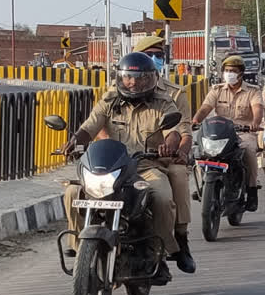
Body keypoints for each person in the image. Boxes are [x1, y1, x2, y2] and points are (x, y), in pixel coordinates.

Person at [60, 52, 192, 282]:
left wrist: (168, 146)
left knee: (162, 197)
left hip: (146, 168)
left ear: (149, 79)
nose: (132, 82)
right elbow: (90, 126)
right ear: (120, 78)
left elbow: (174, 132)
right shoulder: (109, 101)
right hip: (110, 168)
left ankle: (157, 253)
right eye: (128, 77)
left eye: (139, 78)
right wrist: (74, 141)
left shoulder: (164, 102)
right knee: (72, 192)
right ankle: (79, 245)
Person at [133, 35, 195, 272]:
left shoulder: (174, 93)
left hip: (163, 158)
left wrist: (180, 152)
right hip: (126, 159)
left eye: (159, 55)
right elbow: (99, 127)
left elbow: (184, 130)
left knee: (178, 178)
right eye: (150, 55)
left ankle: (180, 238)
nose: (155, 60)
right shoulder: (118, 89)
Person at [192, 55, 263, 212]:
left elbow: (258, 109)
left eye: (233, 71)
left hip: (242, 132)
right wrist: (196, 120)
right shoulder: (216, 90)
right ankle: (204, 186)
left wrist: (255, 123)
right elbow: (205, 108)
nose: (229, 73)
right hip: (219, 132)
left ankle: (251, 191)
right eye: (227, 70)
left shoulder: (252, 91)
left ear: (241, 73)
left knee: (249, 153)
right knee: (200, 153)